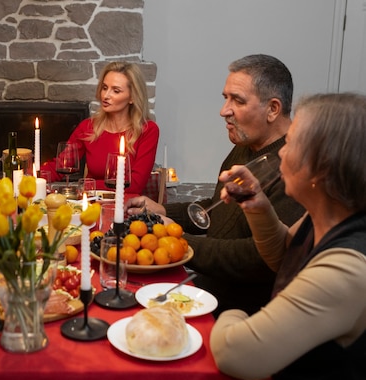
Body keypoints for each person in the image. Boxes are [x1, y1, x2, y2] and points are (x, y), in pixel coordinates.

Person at [210, 92, 366, 380]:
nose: (281, 150)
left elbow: (237, 354)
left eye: (291, 142)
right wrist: (257, 205)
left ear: (321, 170)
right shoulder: (326, 213)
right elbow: (285, 256)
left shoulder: (349, 267)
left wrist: (233, 314)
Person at [125, 54, 305, 316]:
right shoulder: (246, 147)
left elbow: (260, 259)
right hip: (209, 286)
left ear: (273, 109)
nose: (224, 111)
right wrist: (164, 212)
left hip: (242, 310)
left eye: (238, 101)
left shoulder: (294, 167)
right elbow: (218, 209)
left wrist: (178, 241)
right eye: (225, 98)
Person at [40, 61, 159, 195]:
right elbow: (61, 165)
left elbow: (135, 185)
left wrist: (87, 185)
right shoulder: (88, 127)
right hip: (91, 203)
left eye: (116, 91)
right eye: (104, 87)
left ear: (132, 97)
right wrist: (32, 178)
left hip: (126, 207)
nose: (106, 96)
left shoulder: (148, 130)